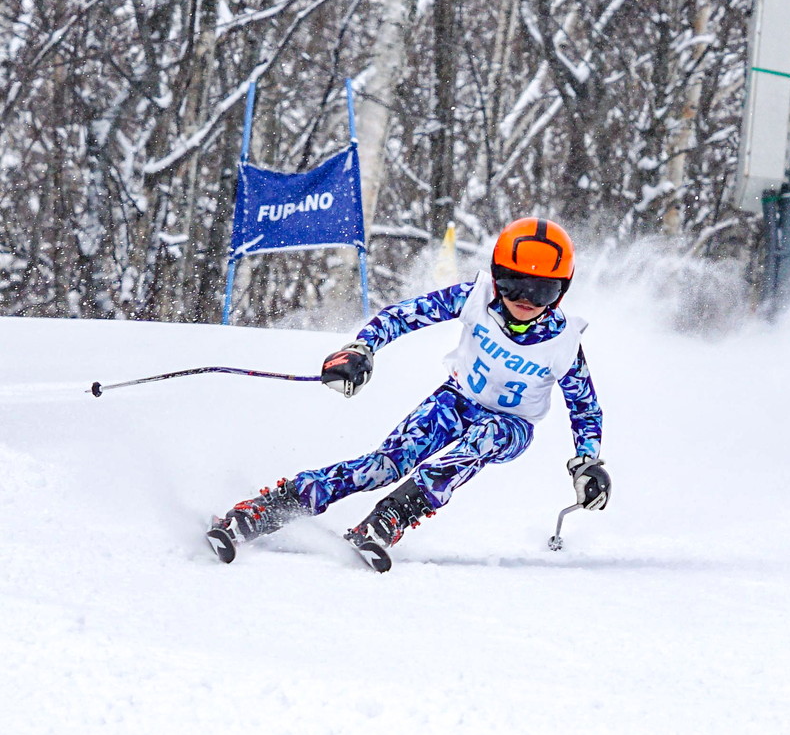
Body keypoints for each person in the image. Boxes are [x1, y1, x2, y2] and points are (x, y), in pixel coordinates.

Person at [207, 217, 610, 572]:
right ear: (495, 277)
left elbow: (585, 408)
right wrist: (362, 348)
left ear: (560, 292)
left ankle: (393, 516)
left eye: (540, 291)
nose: (523, 300)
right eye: (512, 284)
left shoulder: (563, 343)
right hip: (456, 400)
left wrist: (586, 462)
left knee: (486, 436)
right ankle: (270, 508)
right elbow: (404, 315)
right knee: (385, 465)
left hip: (512, 425)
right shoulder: (476, 298)